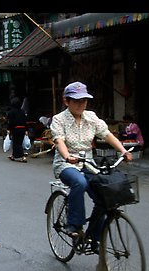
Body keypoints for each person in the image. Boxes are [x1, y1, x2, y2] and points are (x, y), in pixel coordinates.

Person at [51, 81, 133, 246]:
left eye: (84, 100)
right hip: (66, 164)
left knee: (105, 196)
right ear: (66, 101)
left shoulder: (92, 117)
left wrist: (123, 151)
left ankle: (93, 235)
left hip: (88, 163)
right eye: (76, 100)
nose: (81, 104)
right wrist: (67, 156)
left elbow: (107, 135)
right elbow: (59, 141)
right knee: (79, 182)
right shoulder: (59, 119)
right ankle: (74, 224)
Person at [6, 96, 28, 163]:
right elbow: (25, 121)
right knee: (19, 143)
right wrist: (26, 129)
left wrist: (8, 129)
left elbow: (11, 122)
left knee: (16, 143)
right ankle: (13, 155)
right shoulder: (22, 112)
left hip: (16, 129)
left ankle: (23, 157)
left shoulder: (11, 112)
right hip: (22, 129)